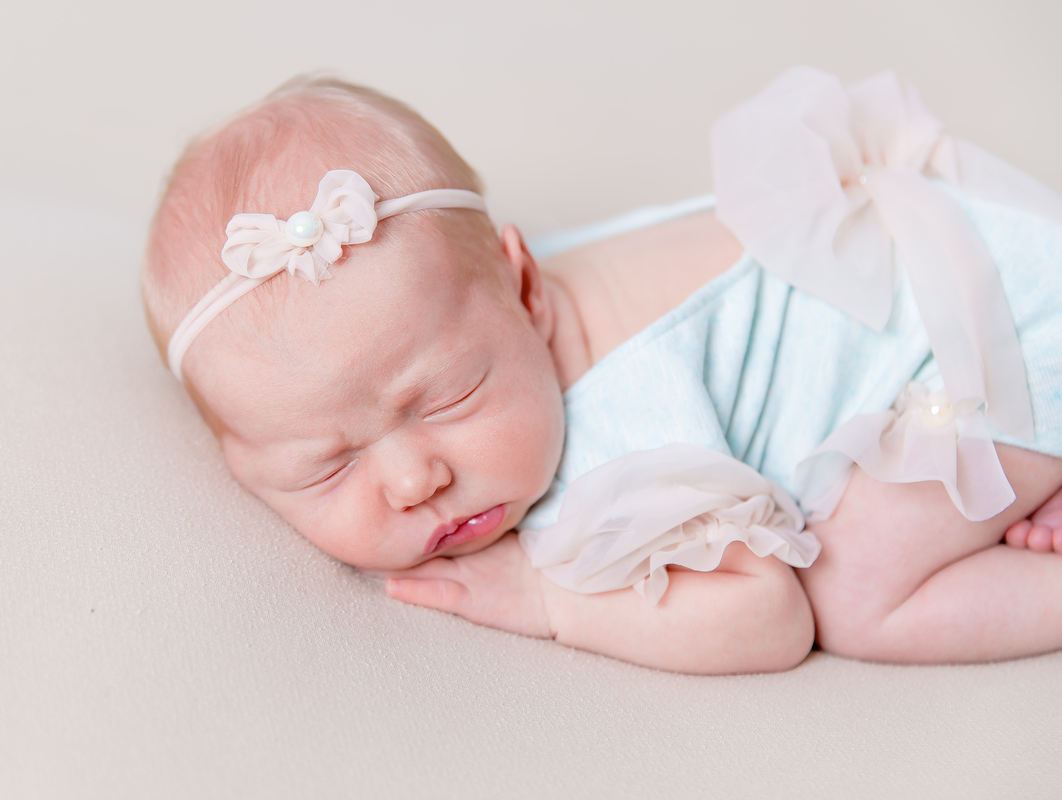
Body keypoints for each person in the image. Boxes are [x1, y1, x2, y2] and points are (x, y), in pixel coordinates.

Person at [141, 68, 1062, 673]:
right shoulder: (467, 299)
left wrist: (550, 598)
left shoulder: (620, 429)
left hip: (1008, 329)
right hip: (967, 258)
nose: (416, 480)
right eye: (329, 464)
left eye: (450, 397)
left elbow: (769, 616)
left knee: (853, 595)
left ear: (524, 288)